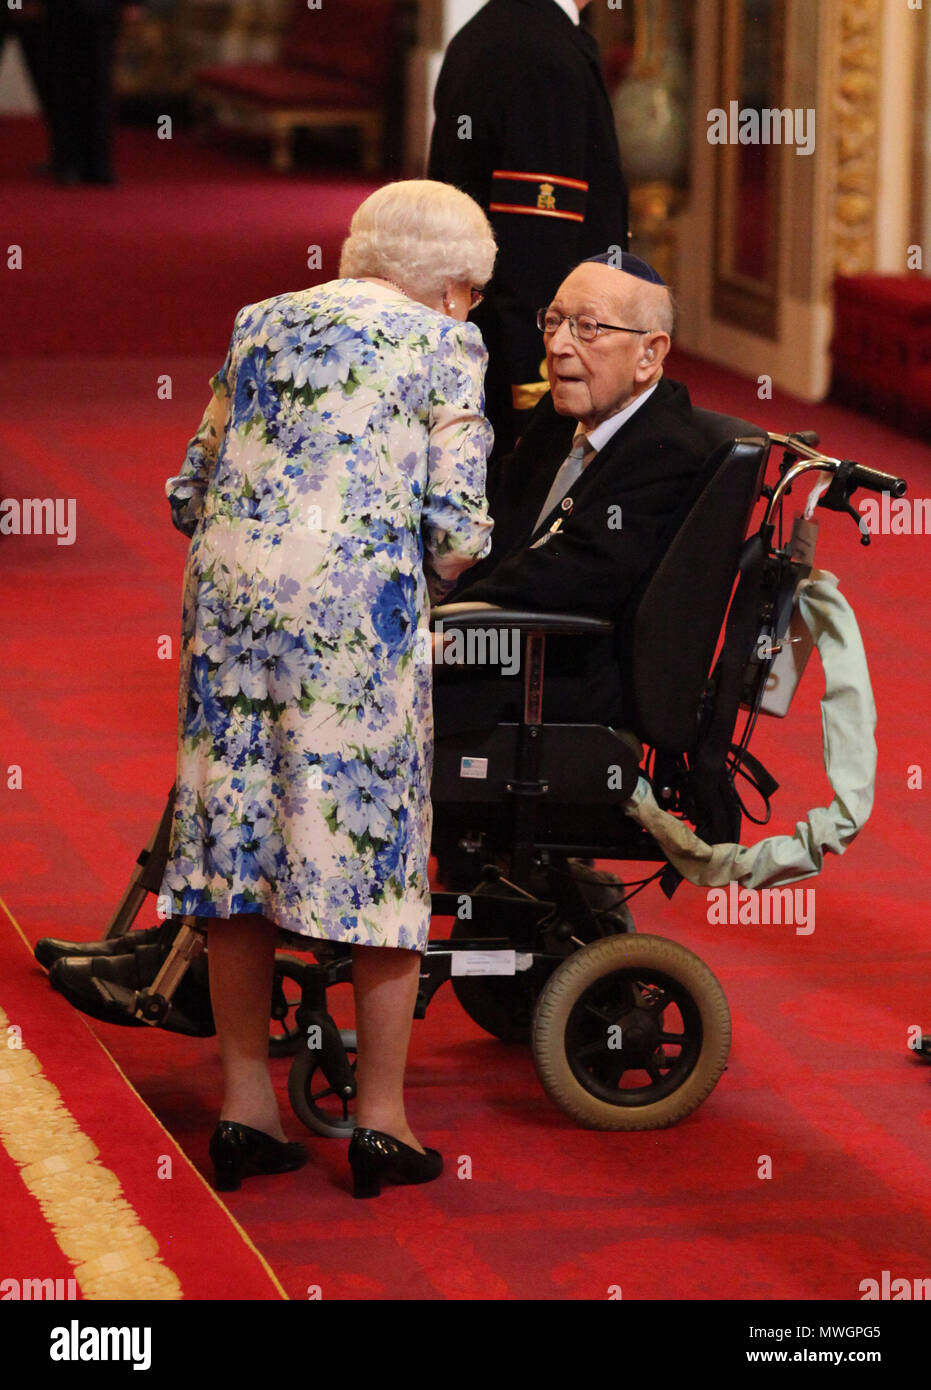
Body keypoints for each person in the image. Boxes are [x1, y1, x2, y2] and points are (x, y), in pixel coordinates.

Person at [158, 180, 496, 1197]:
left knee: (240, 844)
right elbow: (459, 526)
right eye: (474, 294)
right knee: (376, 848)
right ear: (448, 288)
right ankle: (381, 1122)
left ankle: (242, 1107)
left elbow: (189, 486)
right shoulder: (446, 345)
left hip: (230, 610)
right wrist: (420, 578)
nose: (473, 309)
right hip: (354, 621)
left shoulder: (261, 321)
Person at [437, 250, 708, 733]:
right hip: (499, 633)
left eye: (587, 328)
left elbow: (569, 578)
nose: (558, 345)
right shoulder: (560, 415)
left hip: (557, 671)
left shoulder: (667, 451)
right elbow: (496, 515)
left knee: (372, 675)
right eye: (554, 321)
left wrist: (441, 621)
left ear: (650, 353)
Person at [427, 0, 629, 461]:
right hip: (516, 357)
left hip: (478, 335)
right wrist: (539, 393)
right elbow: (535, 245)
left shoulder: (491, 28)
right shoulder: (543, 52)